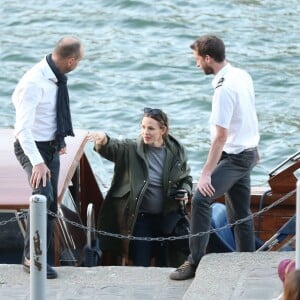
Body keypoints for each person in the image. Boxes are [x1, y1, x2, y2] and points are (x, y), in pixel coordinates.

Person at [170, 35, 260, 280]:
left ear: (208, 58)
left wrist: (206, 173)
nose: (197, 64)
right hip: (246, 152)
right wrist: (255, 146)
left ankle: (193, 262)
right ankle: (246, 260)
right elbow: (249, 112)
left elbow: (220, 136)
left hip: (235, 157)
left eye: (197, 60)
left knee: (200, 199)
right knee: (239, 212)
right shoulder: (242, 75)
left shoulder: (224, 89)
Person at [12, 36, 84, 279]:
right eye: (79, 62)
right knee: (42, 198)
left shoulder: (56, 78)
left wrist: (59, 140)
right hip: (32, 149)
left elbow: (52, 113)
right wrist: (37, 162)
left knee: (51, 204)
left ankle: (37, 256)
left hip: (50, 146)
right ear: (71, 61)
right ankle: (32, 259)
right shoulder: (34, 82)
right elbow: (22, 130)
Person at [88, 108, 193, 267]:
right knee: (140, 265)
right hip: (141, 220)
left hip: (167, 219)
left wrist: (185, 191)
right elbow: (114, 147)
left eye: (150, 128)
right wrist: (103, 140)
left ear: (162, 130)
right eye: (143, 127)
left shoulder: (177, 151)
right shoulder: (131, 148)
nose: (145, 132)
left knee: (167, 265)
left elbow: (186, 178)